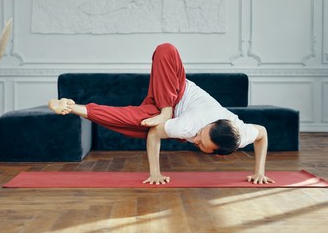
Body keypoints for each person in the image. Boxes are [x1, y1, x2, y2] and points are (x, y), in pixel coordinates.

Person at [49, 43, 275, 185]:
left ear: (219, 153)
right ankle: (166, 111)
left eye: (200, 143)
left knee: (132, 121)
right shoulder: (189, 125)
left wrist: (259, 171)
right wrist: (155, 172)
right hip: (173, 93)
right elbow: (155, 135)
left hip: (161, 113)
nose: (194, 139)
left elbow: (262, 133)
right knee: (166, 49)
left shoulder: (242, 134)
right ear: (212, 123)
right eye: (200, 134)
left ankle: (72, 106)